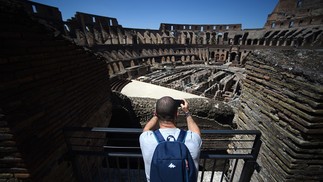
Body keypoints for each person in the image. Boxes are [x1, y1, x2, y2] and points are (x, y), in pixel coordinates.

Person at [139, 96, 202, 182]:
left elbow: (146, 129)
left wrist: (156, 115)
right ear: (176, 114)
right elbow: (196, 132)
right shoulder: (192, 138)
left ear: (157, 114)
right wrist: (187, 112)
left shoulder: (146, 139)